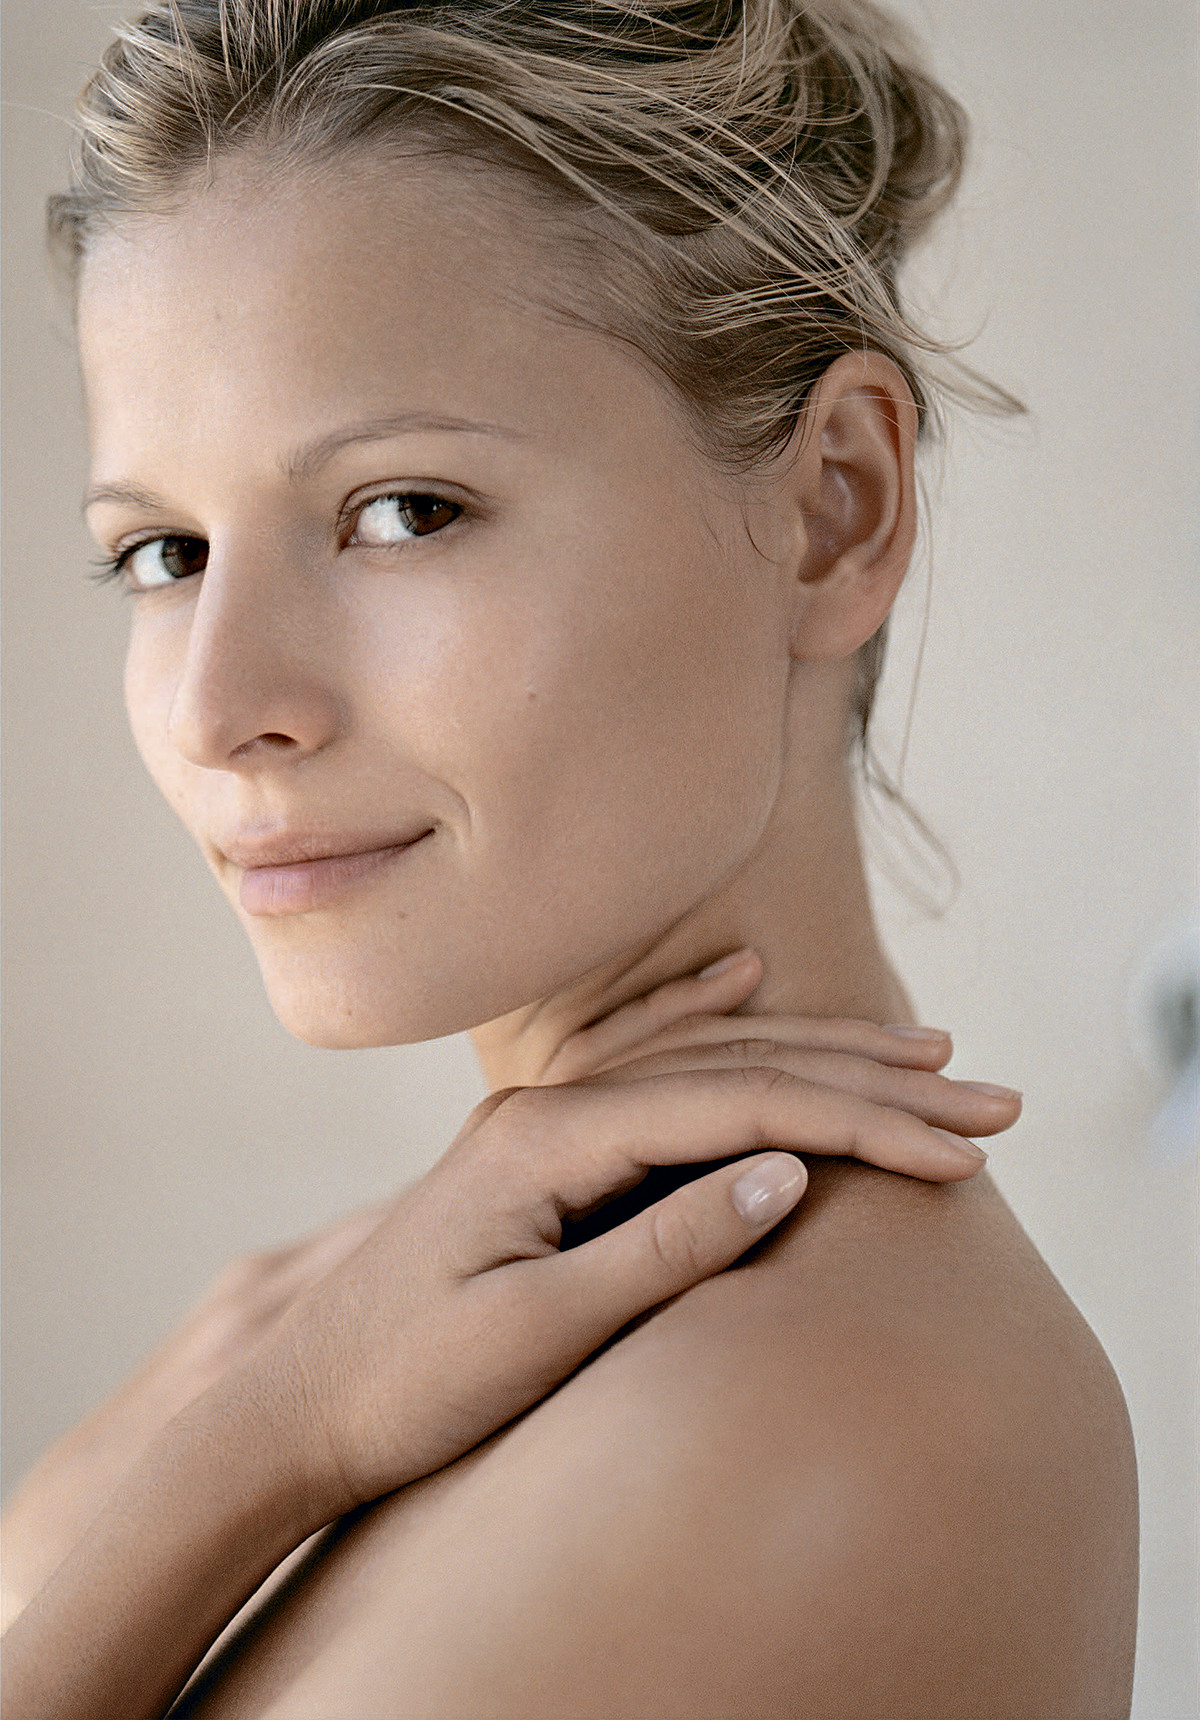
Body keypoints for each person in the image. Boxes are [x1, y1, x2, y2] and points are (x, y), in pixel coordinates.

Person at [1, 2, 1139, 1716]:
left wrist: (225, 1469)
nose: (221, 709)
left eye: (402, 511)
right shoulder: (352, 1316)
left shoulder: (802, 1424)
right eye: (163, 551)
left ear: (834, 508)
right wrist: (263, 1430)